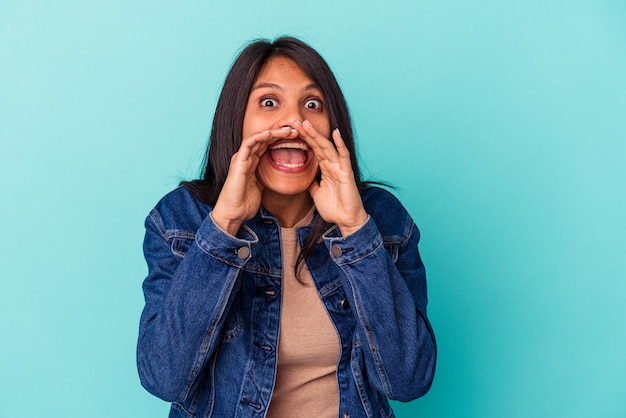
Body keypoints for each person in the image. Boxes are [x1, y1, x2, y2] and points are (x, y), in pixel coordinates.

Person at [137, 36, 436, 418]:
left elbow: (409, 381)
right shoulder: (182, 219)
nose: (294, 123)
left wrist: (355, 229)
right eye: (268, 102)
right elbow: (163, 378)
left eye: (312, 105)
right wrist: (223, 227)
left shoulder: (383, 219)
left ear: (333, 127)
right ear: (237, 121)